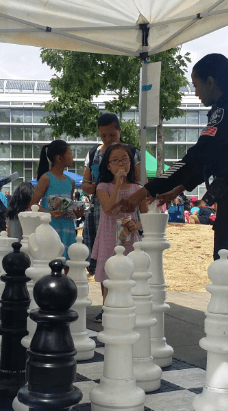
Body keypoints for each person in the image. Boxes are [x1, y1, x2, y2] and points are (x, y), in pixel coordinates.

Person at [111, 53, 228, 261]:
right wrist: (177, 189)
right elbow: (211, 160)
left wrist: (146, 190)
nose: (196, 92)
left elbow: (197, 158)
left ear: (211, 82)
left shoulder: (227, 110)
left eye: (197, 85)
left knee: (227, 264)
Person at [92, 143, 148, 322]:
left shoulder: (137, 189)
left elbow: (146, 217)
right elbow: (108, 209)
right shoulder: (103, 186)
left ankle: (127, 308)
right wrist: (117, 184)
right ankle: (107, 308)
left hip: (129, 238)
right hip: (109, 236)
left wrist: (137, 225)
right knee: (108, 274)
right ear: (108, 166)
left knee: (129, 273)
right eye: (115, 161)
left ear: (131, 163)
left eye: (124, 160)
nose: (121, 164)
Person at [82, 112, 143, 274]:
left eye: (112, 134)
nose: (108, 139)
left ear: (120, 131)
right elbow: (85, 185)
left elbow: (141, 181)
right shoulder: (93, 153)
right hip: (100, 213)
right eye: (103, 135)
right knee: (103, 262)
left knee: (129, 261)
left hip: (128, 213)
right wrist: (105, 187)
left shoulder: (132, 152)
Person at [30, 140, 84, 262]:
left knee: (67, 264)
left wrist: (77, 213)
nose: (72, 157)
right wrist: (50, 214)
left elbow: (68, 206)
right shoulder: (46, 178)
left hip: (68, 229)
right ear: (59, 158)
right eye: (69, 153)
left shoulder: (71, 181)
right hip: (50, 229)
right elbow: (32, 205)